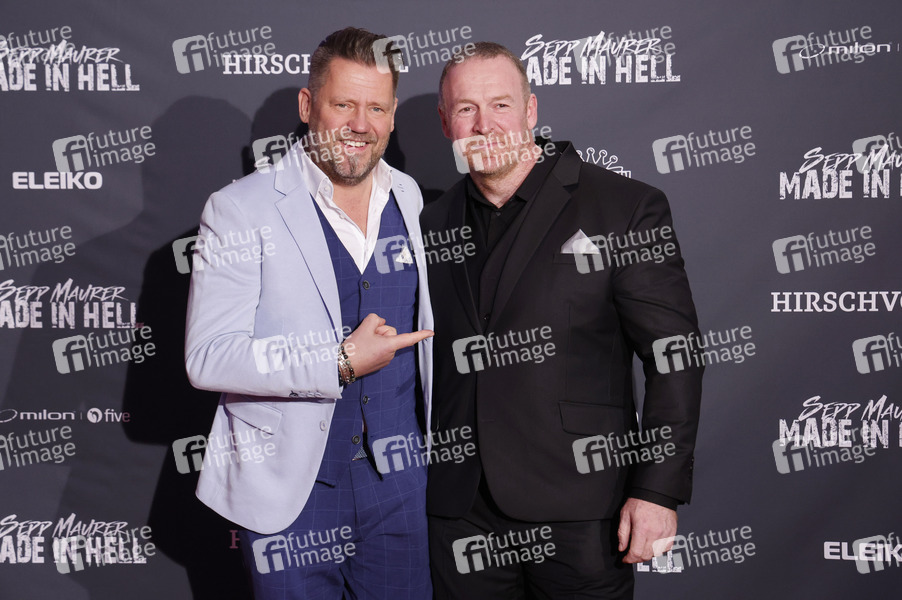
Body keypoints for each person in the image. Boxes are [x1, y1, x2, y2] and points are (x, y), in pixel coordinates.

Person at [422, 42, 703, 598]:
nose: (484, 124)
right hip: (460, 516)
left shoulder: (623, 207)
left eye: (501, 105)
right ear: (445, 122)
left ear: (530, 110)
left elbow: (674, 357)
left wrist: (657, 491)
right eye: (466, 109)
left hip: (583, 512)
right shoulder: (429, 222)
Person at [184, 27, 433, 599]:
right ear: (307, 105)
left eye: (376, 108)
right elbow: (208, 356)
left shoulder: (410, 197)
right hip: (291, 492)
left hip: (400, 490)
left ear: (392, 115)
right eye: (343, 104)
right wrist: (337, 362)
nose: (360, 124)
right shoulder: (239, 209)